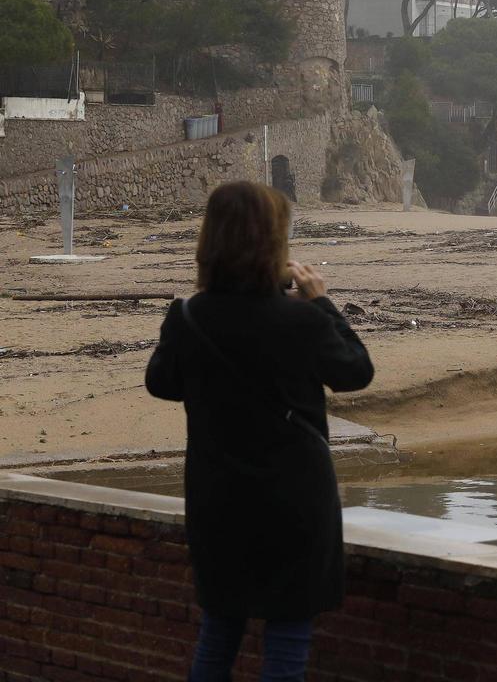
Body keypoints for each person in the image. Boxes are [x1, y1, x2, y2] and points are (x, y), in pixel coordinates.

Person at [145, 181, 374, 681]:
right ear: (275, 241)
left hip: (218, 499)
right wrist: (321, 303)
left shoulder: (188, 317)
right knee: (287, 639)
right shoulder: (302, 321)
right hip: (295, 500)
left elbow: (162, 383)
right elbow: (356, 371)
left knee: (218, 635)